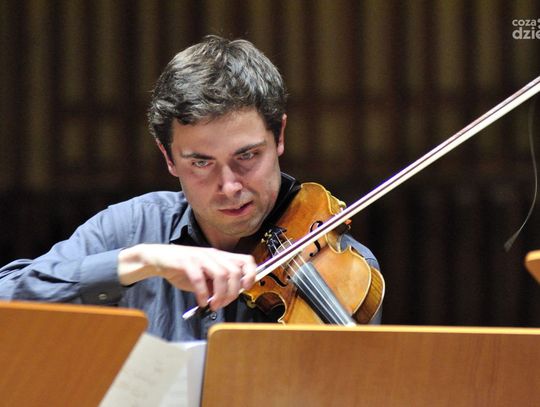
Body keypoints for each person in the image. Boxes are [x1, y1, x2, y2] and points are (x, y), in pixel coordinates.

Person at [0, 35, 380, 341]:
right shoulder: (132, 230)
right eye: (201, 163)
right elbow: (8, 295)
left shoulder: (344, 271)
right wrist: (141, 262)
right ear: (168, 157)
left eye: (247, 155)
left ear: (278, 135)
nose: (229, 185)